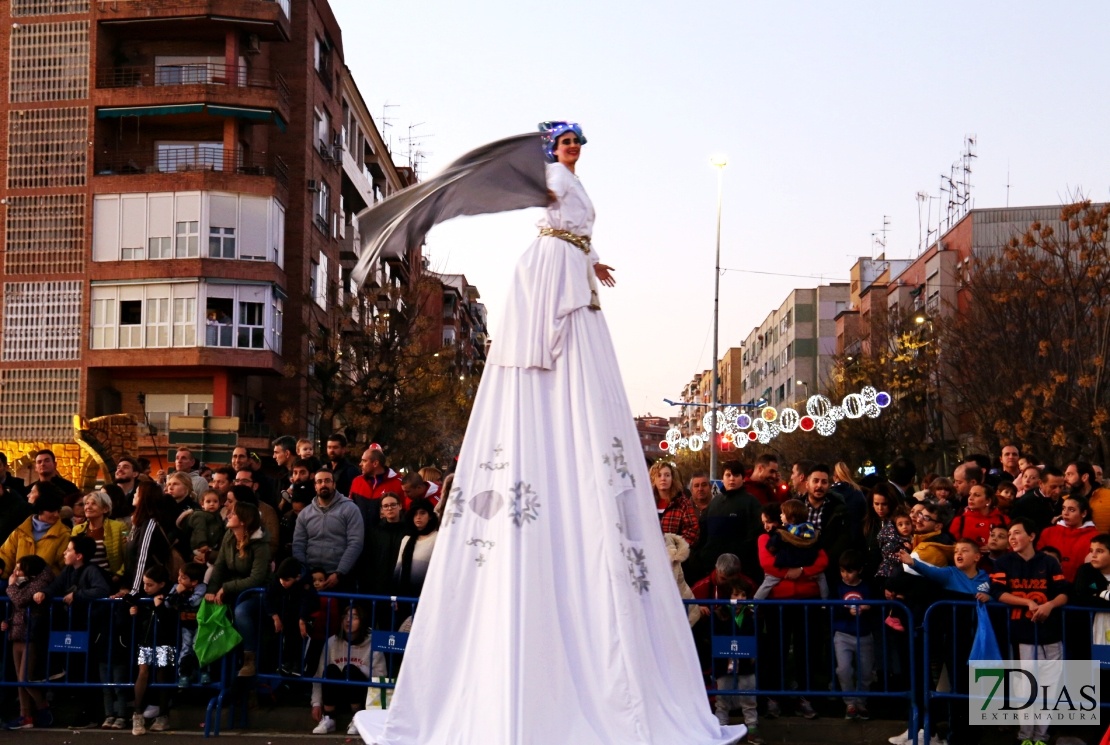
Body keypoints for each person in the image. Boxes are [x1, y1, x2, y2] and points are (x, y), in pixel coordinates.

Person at [355, 125, 741, 744]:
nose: (573, 153)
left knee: (577, 365)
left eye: (577, 145)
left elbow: (575, 231)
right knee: (542, 357)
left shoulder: (573, 186)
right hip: (551, 272)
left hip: (572, 269)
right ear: (550, 151)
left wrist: (592, 260)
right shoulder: (548, 181)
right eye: (565, 144)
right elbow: (544, 218)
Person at [989, 518, 1069, 745]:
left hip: (1051, 634)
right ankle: (1025, 735)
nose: (1012, 538)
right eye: (1010, 534)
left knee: (1050, 686)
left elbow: (1064, 592)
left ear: (1031, 536)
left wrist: (1049, 605)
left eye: (1017, 533)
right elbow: (998, 592)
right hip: (1021, 634)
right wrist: (1026, 603)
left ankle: (1041, 736)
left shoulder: (1049, 562)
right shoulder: (1004, 562)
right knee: (1026, 685)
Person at [205, 501, 271, 677]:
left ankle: (250, 659)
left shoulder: (261, 544)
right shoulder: (229, 536)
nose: (228, 515)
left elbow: (256, 579)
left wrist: (226, 588)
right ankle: (213, 670)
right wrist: (211, 590)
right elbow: (219, 566)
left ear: (244, 521)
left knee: (241, 611)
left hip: (258, 593)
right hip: (235, 590)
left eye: (233, 514)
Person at [2, 555, 55, 729]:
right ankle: (25, 715)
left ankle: (43, 708)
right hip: (17, 631)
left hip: (32, 633)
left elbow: (20, 599)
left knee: (26, 677)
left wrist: (10, 586)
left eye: (20, 569)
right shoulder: (22, 583)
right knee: (19, 679)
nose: (16, 573)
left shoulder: (42, 581)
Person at [292, 469, 364, 593]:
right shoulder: (305, 514)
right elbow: (298, 545)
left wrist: (340, 572)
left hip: (341, 578)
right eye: (319, 482)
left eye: (327, 481)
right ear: (315, 486)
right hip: (311, 578)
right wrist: (306, 573)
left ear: (334, 484)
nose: (323, 485)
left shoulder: (350, 509)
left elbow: (355, 543)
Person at [311, 605, 377, 736]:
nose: (348, 620)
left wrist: (360, 669)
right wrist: (316, 703)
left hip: (360, 697)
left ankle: (357, 718)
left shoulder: (372, 643)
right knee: (330, 669)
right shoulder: (332, 642)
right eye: (345, 617)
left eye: (354, 617)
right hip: (337, 696)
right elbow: (319, 675)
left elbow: (380, 676)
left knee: (350, 670)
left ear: (362, 620)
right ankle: (329, 717)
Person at [128, 565, 176, 735]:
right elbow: (130, 598)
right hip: (146, 640)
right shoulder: (142, 596)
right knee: (143, 672)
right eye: (144, 584)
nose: (145, 588)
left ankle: (163, 716)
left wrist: (160, 606)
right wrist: (133, 609)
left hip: (165, 641)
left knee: (162, 674)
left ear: (161, 584)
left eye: (150, 585)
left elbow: (169, 620)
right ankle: (137, 714)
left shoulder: (170, 595)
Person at [711, 576, 760, 742]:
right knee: (722, 700)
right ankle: (721, 733)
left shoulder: (753, 615)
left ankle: (752, 730)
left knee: (749, 698)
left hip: (747, 665)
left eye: (743, 595)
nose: (740, 599)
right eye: (736, 595)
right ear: (727, 597)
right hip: (723, 665)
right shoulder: (718, 615)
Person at [753, 498, 828, 599]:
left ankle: (825, 603)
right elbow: (767, 563)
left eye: (769, 522)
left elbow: (822, 560)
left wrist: (801, 570)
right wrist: (791, 572)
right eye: (764, 523)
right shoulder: (765, 538)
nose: (766, 527)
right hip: (780, 595)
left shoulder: (807, 534)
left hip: (809, 594)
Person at [832, 550, 874, 721]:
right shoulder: (838, 587)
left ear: (859, 571)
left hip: (864, 635)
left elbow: (876, 608)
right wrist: (845, 610)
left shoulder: (867, 587)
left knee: (865, 672)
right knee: (843, 669)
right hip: (842, 634)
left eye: (849, 571)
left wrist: (868, 608)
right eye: (842, 571)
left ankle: (861, 702)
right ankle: (849, 702)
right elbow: (832, 609)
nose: (846, 575)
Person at [0, 483, 69, 579]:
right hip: (17, 584)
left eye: (32, 492)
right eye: (52, 510)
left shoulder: (63, 535)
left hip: (45, 588)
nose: (28, 495)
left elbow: (67, 568)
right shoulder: (20, 530)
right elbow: (5, 557)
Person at [1036, 495, 1099, 582]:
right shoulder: (1048, 532)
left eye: (1071, 510)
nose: (1065, 513)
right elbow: (1037, 559)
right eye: (1064, 508)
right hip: (1048, 583)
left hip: (1080, 586)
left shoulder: (1095, 537)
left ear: (1084, 513)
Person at [652, 460, 698, 549]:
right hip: (650, 555)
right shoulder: (647, 503)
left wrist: (677, 548)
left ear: (672, 479)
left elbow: (692, 529)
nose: (663, 479)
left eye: (667, 475)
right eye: (659, 475)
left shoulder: (681, 502)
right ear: (653, 479)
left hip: (674, 557)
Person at [948, 484, 1006, 549]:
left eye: (977, 495)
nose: (970, 498)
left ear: (988, 501)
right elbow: (953, 546)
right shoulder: (959, 520)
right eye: (970, 494)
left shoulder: (1003, 519)